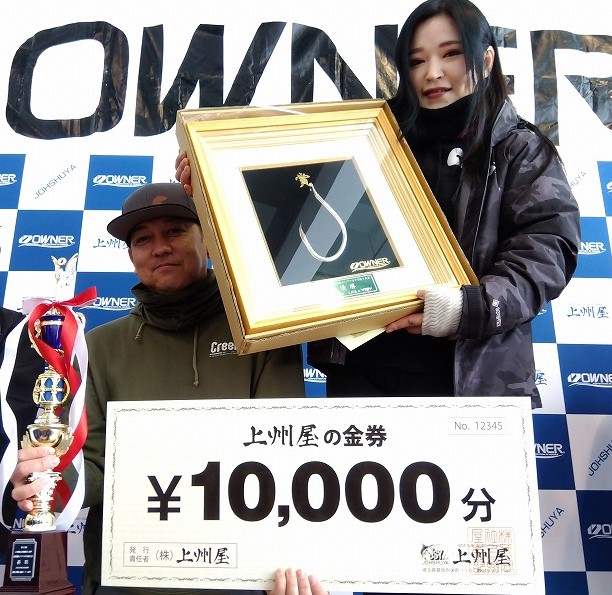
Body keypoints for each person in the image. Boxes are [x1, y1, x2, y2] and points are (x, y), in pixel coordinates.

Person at [9, 182, 309, 595]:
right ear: (132, 257)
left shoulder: (260, 332)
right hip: (128, 575)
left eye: (175, 231)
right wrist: (50, 485)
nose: (160, 248)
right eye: (143, 240)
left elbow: (288, 454)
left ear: (209, 240)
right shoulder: (100, 345)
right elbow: (94, 464)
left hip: (240, 573)